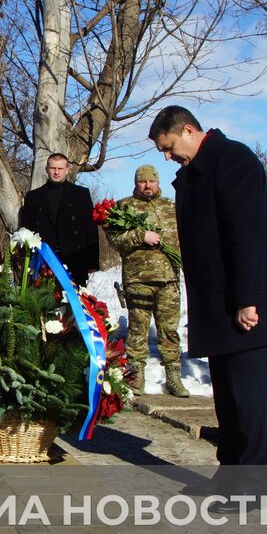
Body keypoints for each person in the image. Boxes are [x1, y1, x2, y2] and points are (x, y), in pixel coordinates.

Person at [148, 106, 267, 497]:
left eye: (169, 147)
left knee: (246, 398)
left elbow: (246, 235)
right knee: (227, 398)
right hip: (218, 304)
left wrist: (248, 299)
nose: (167, 157)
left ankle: (252, 483)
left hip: (245, 303)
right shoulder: (199, 169)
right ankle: (230, 475)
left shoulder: (233, 160)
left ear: (189, 131)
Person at [108, 165, 188, 397]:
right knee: (137, 329)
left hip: (169, 278)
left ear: (157, 182)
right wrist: (139, 236)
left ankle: (174, 376)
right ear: (136, 183)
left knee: (169, 330)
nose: (147, 186)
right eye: (143, 182)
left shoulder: (171, 207)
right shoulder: (124, 207)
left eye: (151, 182)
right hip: (138, 278)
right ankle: (136, 375)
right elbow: (115, 239)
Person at [18, 153, 100, 286]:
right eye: (53, 168)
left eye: (60, 168)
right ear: (46, 169)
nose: (56, 172)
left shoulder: (81, 194)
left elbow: (90, 230)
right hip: (43, 259)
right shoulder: (33, 197)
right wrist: (24, 260)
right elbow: (25, 230)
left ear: (67, 170)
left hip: (75, 258)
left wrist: (92, 262)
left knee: (74, 304)